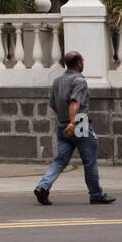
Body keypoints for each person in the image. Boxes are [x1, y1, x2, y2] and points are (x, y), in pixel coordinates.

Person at [34, 51, 116, 205]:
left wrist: (65, 122)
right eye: (82, 61)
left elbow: (53, 105)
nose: (83, 63)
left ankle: (43, 186)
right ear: (78, 63)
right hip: (79, 124)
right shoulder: (79, 80)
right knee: (89, 161)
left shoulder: (58, 81)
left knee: (61, 160)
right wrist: (73, 123)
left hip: (63, 125)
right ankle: (96, 194)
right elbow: (75, 102)